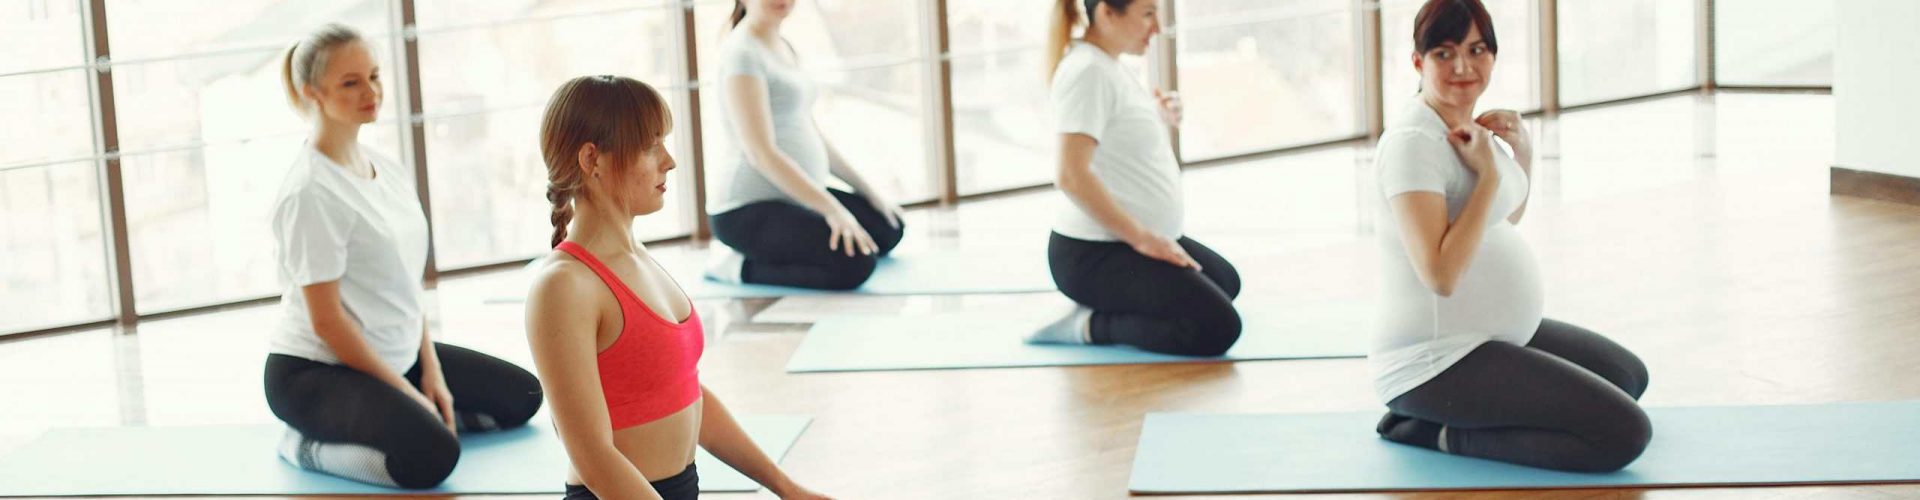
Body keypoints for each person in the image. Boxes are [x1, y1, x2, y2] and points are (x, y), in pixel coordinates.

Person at [1370, 0, 1651, 472]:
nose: (1464, 66)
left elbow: (1506, 217)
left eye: (1477, 49)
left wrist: (1521, 151)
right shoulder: (1413, 146)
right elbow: (1439, 275)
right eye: (1444, 53)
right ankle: (1436, 431)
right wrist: (1488, 179)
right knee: (1622, 435)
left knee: (1628, 377)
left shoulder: (1464, 124)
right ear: (1418, 63)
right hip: (1435, 362)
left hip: (1492, 336)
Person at [525, 74, 831, 500]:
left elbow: (684, 394)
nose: (669, 161)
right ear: (592, 158)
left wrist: (785, 487)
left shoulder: (639, 257)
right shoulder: (564, 286)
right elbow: (593, 457)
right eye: (651, 146)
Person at [264, 23, 541, 489]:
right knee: (432, 457)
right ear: (312, 93)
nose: (371, 91)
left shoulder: (384, 168)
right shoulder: (309, 192)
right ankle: (305, 446)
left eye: (374, 76)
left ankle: (417, 419)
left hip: (396, 351)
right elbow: (327, 323)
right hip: (315, 372)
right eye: (350, 83)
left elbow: (405, 286)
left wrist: (430, 371)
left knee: (525, 397)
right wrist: (406, 393)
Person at [1023, 0, 1243, 357]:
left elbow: (1112, 132)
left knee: (1226, 283)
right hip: (1094, 254)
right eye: (1147, 14)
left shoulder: (1107, 65)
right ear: (1108, 13)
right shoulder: (1086, 72)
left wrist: (1156, 115)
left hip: (1126, 241)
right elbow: (1070, 175)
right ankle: (1088, 325)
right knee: (1218, 327)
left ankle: (1110, 304)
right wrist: (1143, 239)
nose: (1156, 27)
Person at [703, 0, 909, 290]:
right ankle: (734, 265)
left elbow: (811, 133)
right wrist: (832, 210)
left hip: (794, 196)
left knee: (889, 228)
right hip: (747, 210)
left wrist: (870, 192)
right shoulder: (742, 54)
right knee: (855, 264)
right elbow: (760, 153)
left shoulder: (783, 45)